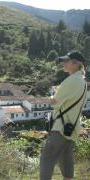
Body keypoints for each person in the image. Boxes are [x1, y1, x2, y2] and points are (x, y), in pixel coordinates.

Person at [40, 51, 87, 180]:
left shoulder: (71, 80)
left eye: (66, 61)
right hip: (73, 127)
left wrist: (50, 97)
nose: (63, 63)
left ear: (76, 63)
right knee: (66, 158)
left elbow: (55, 102)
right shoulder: (82, 82)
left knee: (47, 157)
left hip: (61, 126)